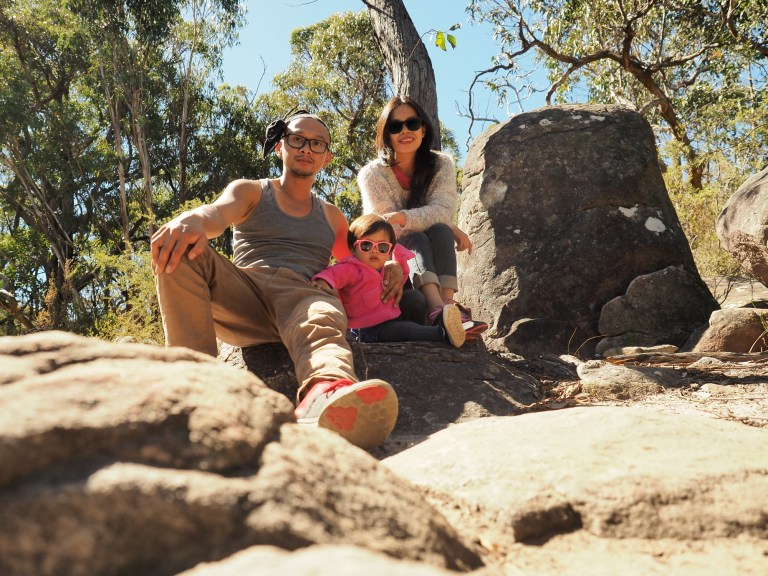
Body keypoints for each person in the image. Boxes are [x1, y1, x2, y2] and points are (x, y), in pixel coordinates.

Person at [150, 109, 401, 450]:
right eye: (297, 139)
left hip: (303, 299)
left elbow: (360, 263)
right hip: (245, 295)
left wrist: (392, 264)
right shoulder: (251, 192)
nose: (306, 149)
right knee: (180, 249)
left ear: (326, 158)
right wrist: (191, 220)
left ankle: (325, 393)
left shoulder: (332, 216)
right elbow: (216, 214)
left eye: (317, 144)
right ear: (281, 146)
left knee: (323, 311)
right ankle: (194, 387)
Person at [358, 96, 488, 337]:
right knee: (417, 236)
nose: (405, 131)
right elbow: (384, 231)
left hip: (429, 257)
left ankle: (447, 305)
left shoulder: (441, 164)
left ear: (424, 128)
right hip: (392, 263)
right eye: (395, 127)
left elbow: (442, 211)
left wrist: (403, 217)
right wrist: (409, 222)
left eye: (412, 123)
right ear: (386, 135)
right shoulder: (372, 175)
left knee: (440, 229)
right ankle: (438, 308)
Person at [312, 214, 466, 347]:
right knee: (404, 330)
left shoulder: (386, 269)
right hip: (370, 330)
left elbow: (404, 273)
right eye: (366, 245)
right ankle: (443, 333)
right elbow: (332, 275)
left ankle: (425, 329)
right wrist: (323, 284)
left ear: (388, 252)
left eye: (383, 248)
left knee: (415, 298)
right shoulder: (351, 268)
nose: (374, 250)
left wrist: (396, 261)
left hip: (393, 317)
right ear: (352, 249)